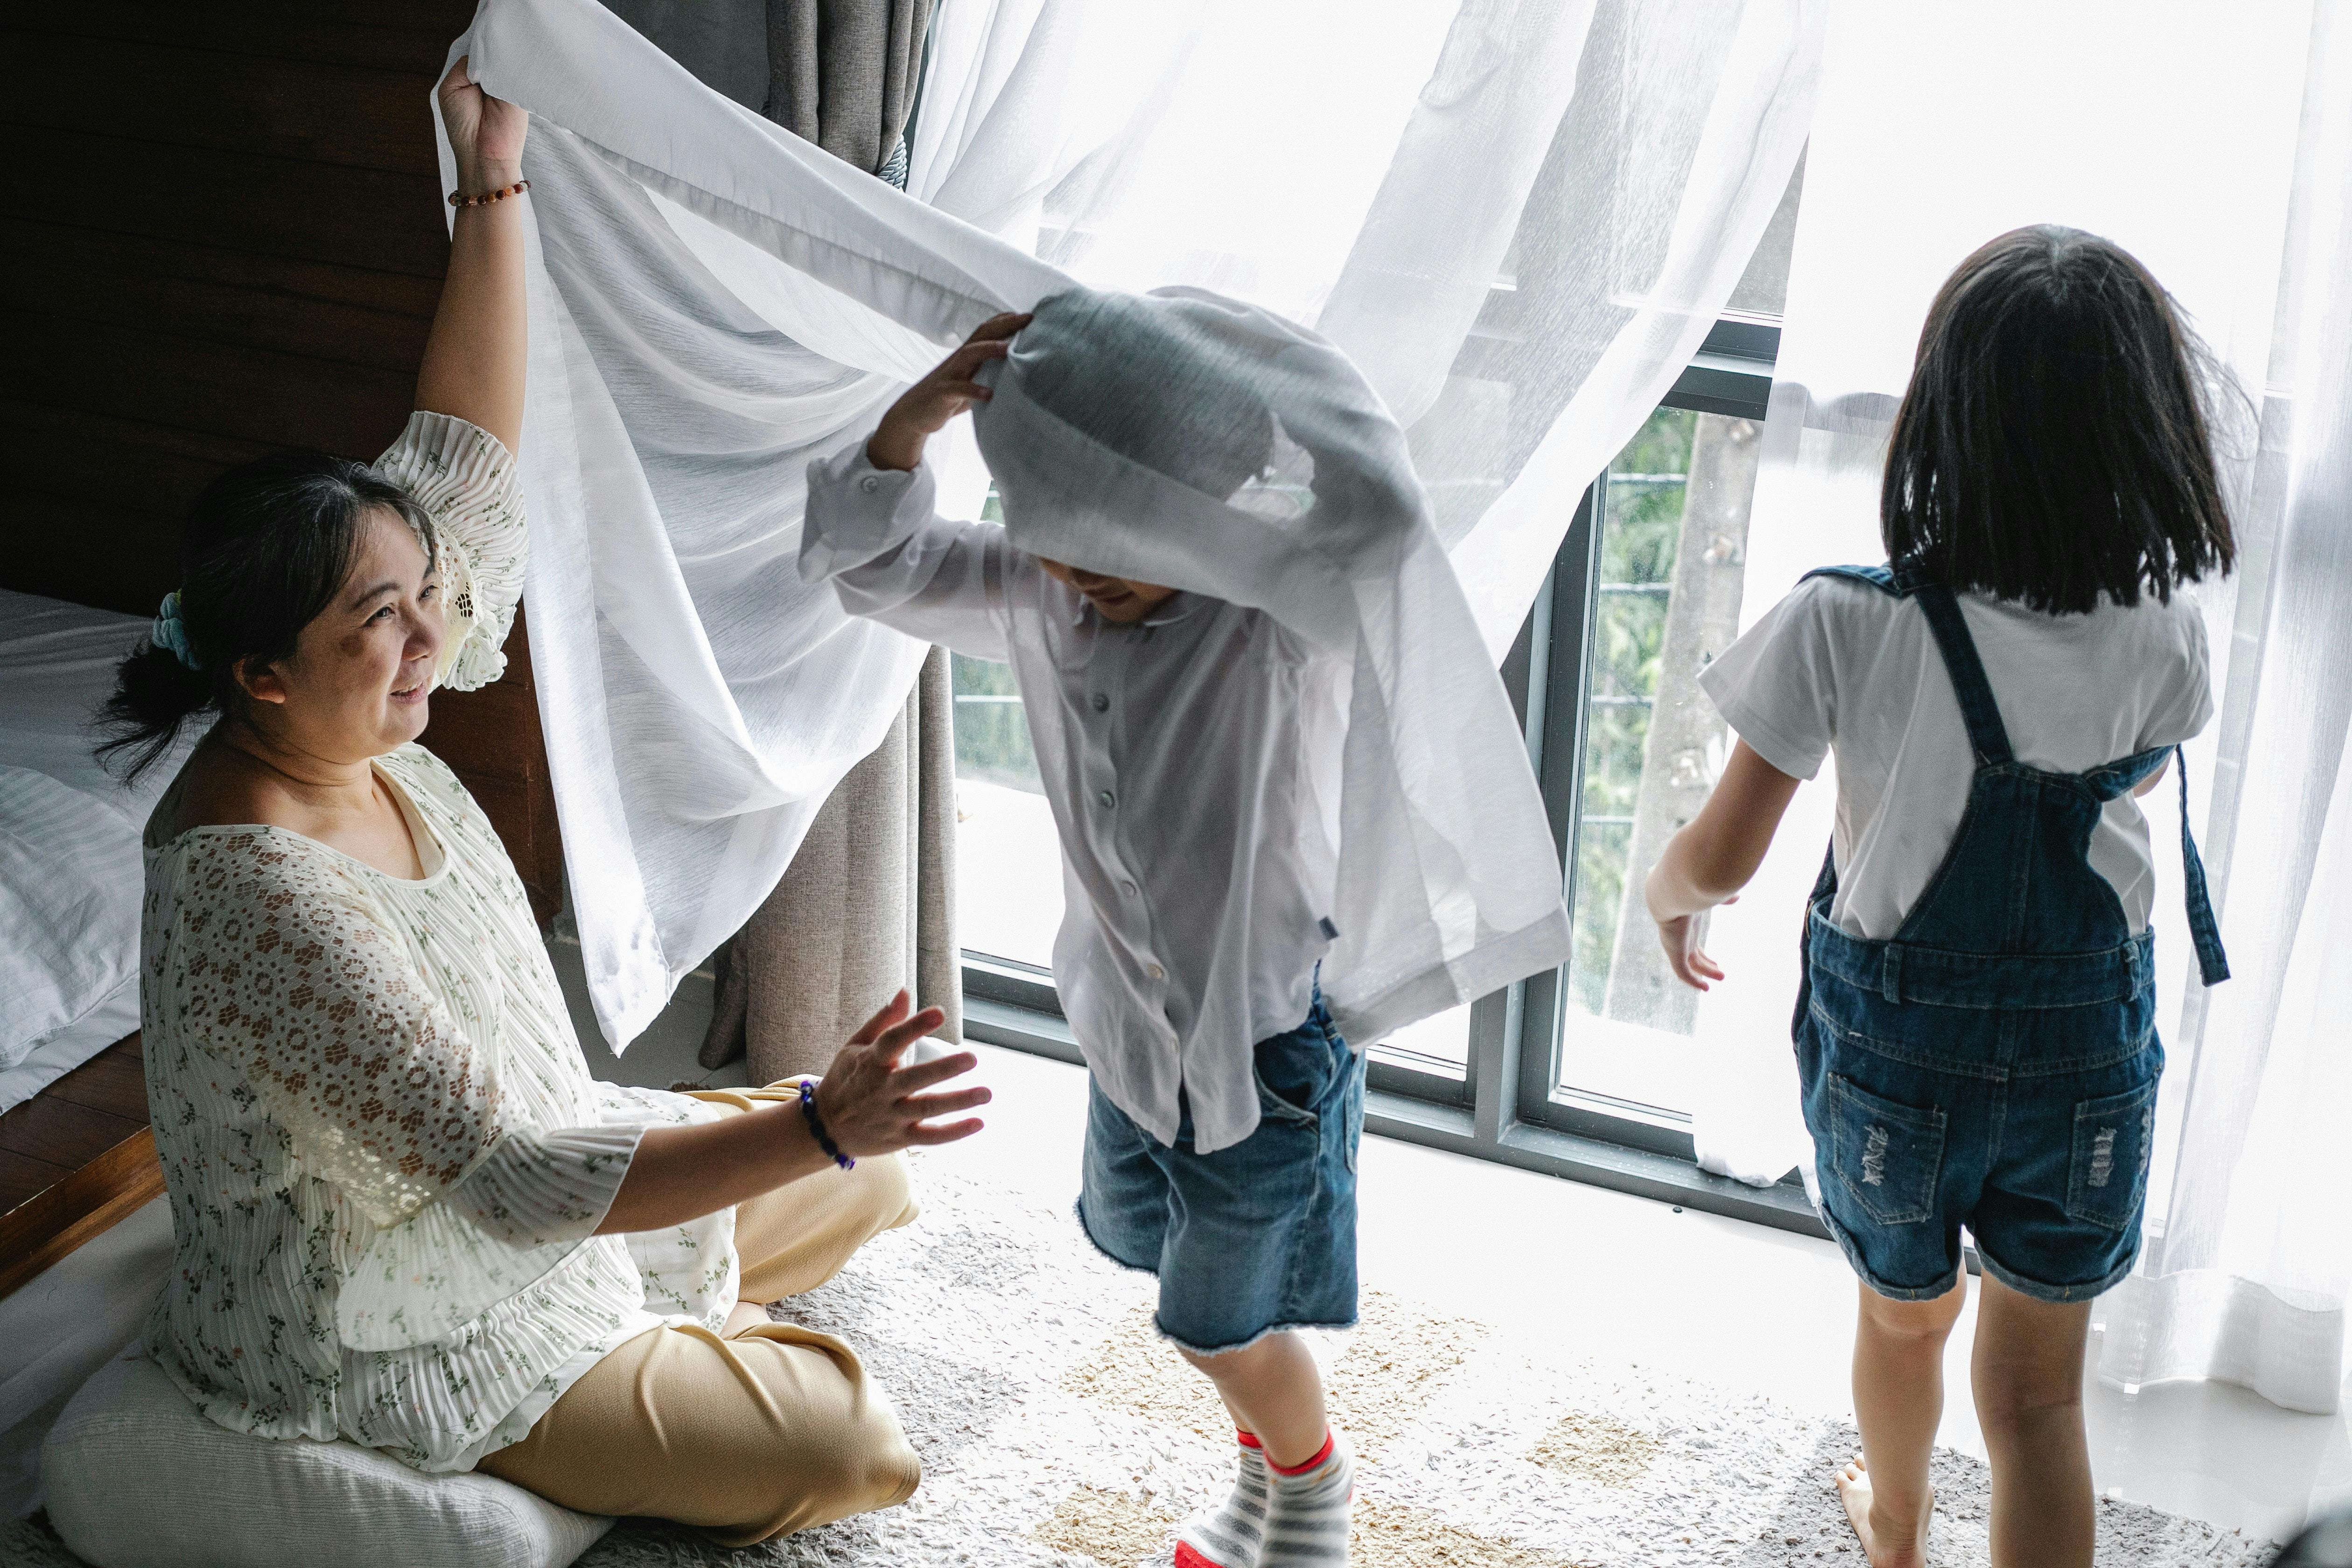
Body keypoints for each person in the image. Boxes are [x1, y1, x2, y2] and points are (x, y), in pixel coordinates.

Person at [96, 58, 989, 1546]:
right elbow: (509, 1180)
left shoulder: (344, 697)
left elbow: (467, 459)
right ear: (260, 674)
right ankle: (652, 1373)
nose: (434, 637)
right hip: (384, 1317)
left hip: (521, 1181)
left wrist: (491, 168)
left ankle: (684, 1315)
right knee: (856, 1443)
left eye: (425, 594)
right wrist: (817, 1127)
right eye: (383, 621)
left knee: (871, 1179)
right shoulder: (255, 891)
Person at [1641, 226, 2234, 1568]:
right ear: (2149, 438)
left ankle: (1897, 1534)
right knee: (2036, 1398)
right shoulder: (2166, 636)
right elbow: (2112, 796)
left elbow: (1725, 856)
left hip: (1901, 1057)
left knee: (1905, 1318)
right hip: (2085, 1054)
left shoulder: (1846, 620)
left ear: (1940, 423)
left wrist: (1668, 892)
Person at [800, 294, 1381, 1568]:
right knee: (1140, 1247)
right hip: (1123, 1030)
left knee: (1218, 1318)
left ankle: (1312, 1485)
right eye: (1057, 533)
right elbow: (873, 564)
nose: (1082, 568)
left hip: (1261, 1047)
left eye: (1122, 537)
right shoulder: (1042, 593)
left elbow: (1379, 512)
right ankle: (1260, 1465)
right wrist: (925, 409)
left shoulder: (1275, 620)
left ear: (1216, 507)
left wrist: (1250, 372)